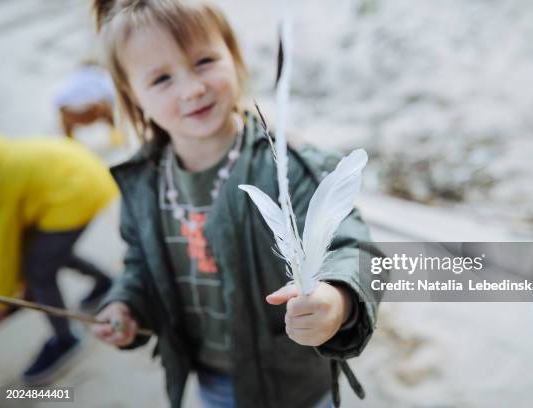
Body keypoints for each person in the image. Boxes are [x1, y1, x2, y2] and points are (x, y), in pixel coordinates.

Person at [90, 1, 384, 407]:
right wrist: (127, 305)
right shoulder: (144, 182)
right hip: (210, 380)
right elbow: (141, 262)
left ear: (234, 56)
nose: (192, 89)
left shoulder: (287, 167)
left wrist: (336, 299)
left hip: (294, 382)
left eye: (204, 61)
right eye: (161, 79)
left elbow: (355, 249)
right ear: (132, 96)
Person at [0, 135, 118, 384]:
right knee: (47, 251)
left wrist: (3, 303)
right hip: (75, 170)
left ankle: (66, 339)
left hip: (75, 188)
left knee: (38, 269)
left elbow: (5, 246)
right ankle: (105, 282)